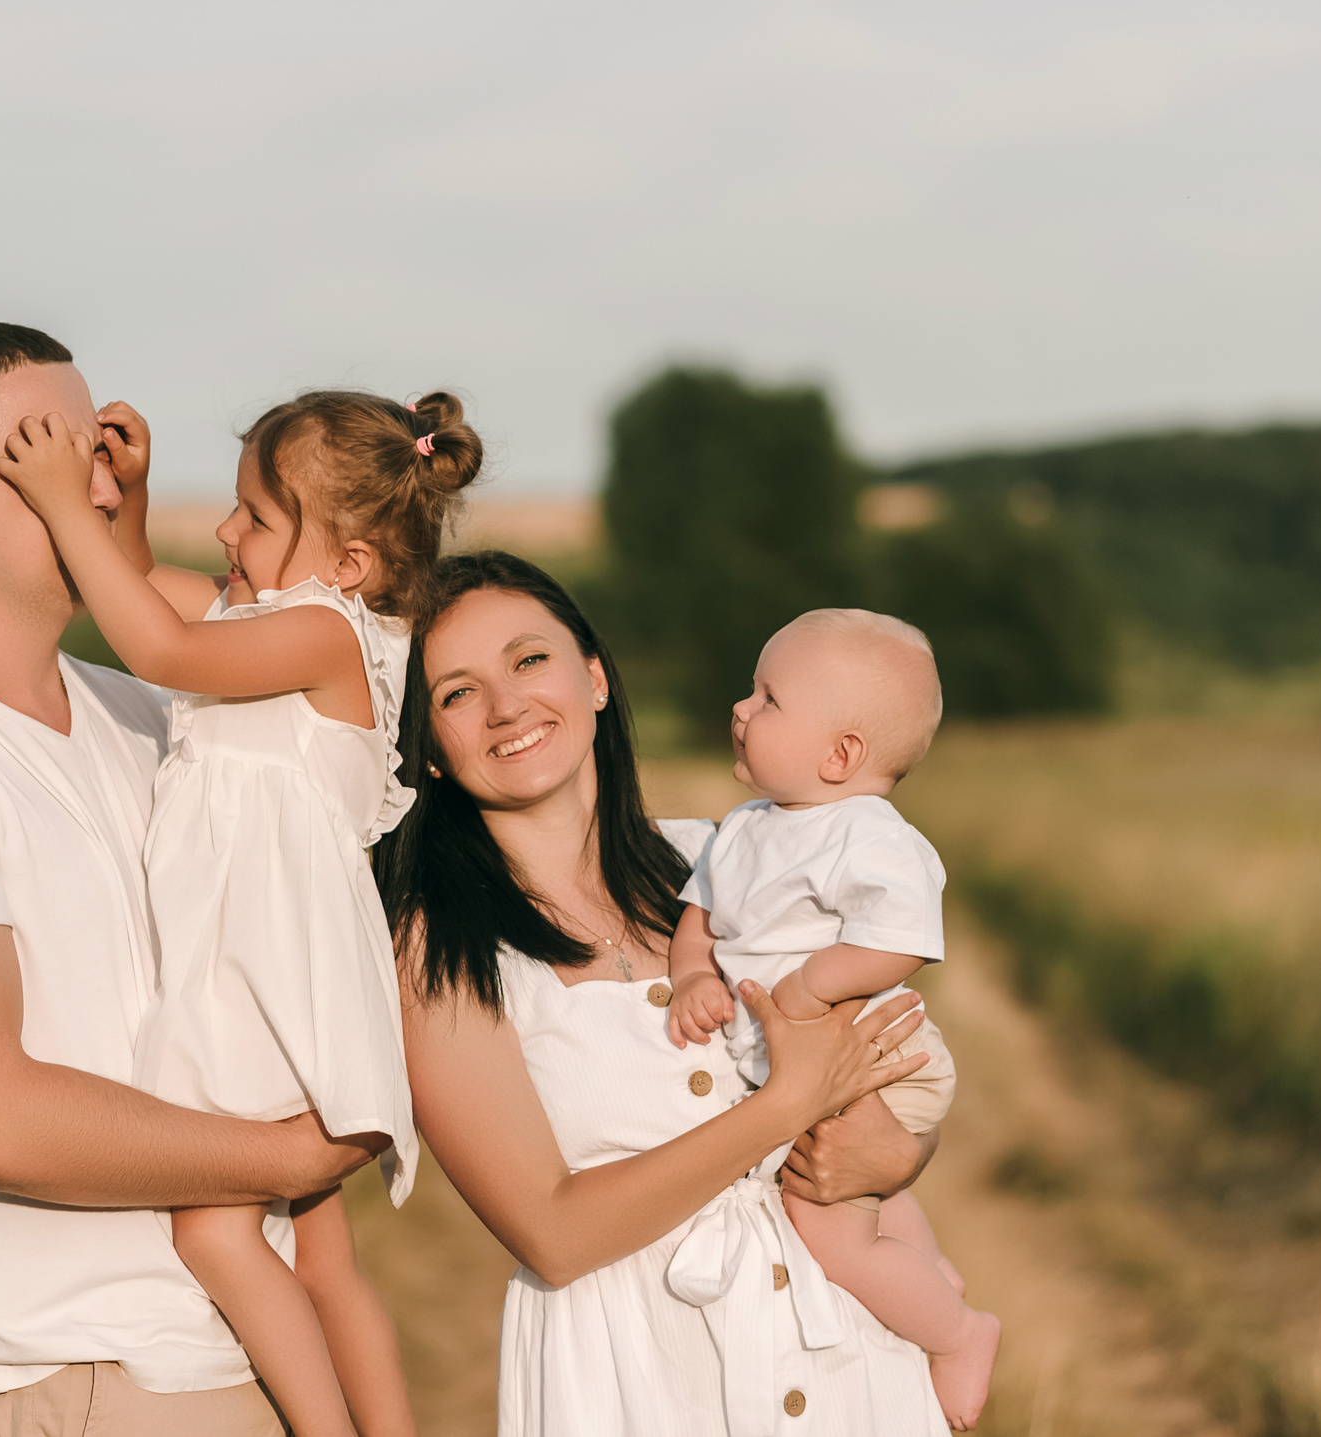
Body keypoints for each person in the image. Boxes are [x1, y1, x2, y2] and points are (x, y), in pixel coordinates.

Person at [0, 321, 380, 1436]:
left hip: (248, 1352)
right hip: (81, 1381)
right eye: (43, 456)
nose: (95, 481)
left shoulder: (158, 721)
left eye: (100, 445)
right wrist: (289, 1153)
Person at [0, 388, 482, 1437]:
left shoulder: (323, 633)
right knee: (320, 1249)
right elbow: (130, 591)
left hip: (259, 975)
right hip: (272, 970)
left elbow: (161, 652)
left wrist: (56, 505)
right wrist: (116, 501)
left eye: (256, 516)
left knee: (215, 1236)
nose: (225, 531)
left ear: (349, 561)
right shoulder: (278, 613)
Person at [379, 550, 952, 1436]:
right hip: (637, 1380)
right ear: (432, 750)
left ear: (596, 676)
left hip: (844, 1359)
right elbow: (553, 1235)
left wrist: (899, 1156)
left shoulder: (723, 856)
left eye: (530, 659)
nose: (505, 707)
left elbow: (878, 1060)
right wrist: (789, 1104)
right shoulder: (438, 944)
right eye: (456, 693)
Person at [665, 609, 1001, 1429]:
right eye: (751, 690)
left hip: (878, 1058)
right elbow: (699, 917)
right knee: (858, 1184)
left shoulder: (867, 835)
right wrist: (687, 978)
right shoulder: (745, 828)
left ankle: (957, 1332)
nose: (741, 709)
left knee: (830, 1225)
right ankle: (928, 1271)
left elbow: (899, 941)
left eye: (768, 697)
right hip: (814, 1068)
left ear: (840, 754)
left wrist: (812, 986)